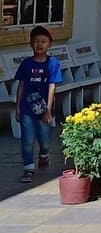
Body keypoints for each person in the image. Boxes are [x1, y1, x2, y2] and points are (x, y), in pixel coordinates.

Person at [15, 25, 62, 182]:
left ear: (50, 44)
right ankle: (28, 170)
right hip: (27, 108)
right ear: (31, 43)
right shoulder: (26, 63)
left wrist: (48, 110)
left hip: (43, 110)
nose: (39, 44)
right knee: (27, 140)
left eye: (43, 41)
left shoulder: (53, 63)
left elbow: (52, 86)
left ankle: (44, 155)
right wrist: (18, 108)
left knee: (45, 141)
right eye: (36, 41)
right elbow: (21, 86)